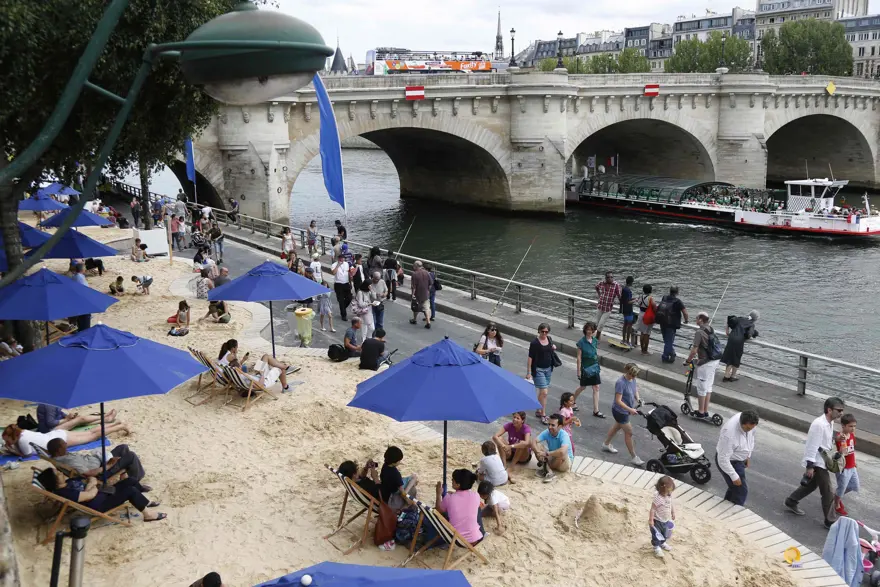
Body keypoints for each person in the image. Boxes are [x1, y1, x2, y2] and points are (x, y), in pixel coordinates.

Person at [784, 396, 845, 528]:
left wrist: (836, 438)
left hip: (822, 461)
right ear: (829, 410)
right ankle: (830, 521)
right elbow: (812, 445)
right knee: (828, 491)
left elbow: (824, 442)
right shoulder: (819, 424)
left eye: (842, 410)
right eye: (839, 410)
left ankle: (791, 501)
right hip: (817, 462)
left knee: (811, 485)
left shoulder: (830, 423)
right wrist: (810, 466)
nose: (841, 413)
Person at [36, 468, 166, 523]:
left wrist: (91, 484)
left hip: (103, 493)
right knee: (130, 490)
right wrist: (92, 484)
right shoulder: (65, 493)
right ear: (54, 482)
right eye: (57, 474)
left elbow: (89, 484)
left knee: (130, 481)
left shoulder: (67, 482)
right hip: (100, 505)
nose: (60, 473)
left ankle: (144, 502)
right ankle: (148, 515)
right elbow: (89, 496)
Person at [47, 439, 150, 491]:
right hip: (101, 472)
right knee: (131, 456)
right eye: (63, 444)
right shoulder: (68, 460)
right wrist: (108, 465)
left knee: (123, 447)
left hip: (99, 462)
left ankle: (131, 477)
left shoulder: (60, 455)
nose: (66, 444)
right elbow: (88, 473)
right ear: (58, 450)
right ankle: (135, 484)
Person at [3, 422, 129, 458]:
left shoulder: (22, 442)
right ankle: (117, 424)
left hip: (59, 440)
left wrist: (12, 450)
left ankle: (120, 426)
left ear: (12, 436)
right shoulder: (23, 432)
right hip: (57, 434)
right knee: (89, 432)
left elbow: (26, 454)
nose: (7, 442)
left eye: (7, 440)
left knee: (92, 436)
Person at [601, 363, 644, 466]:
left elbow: (635, 389)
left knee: (616, 427)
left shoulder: (632, 379)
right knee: (629, 433)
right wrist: (630, 410)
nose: (633, 377)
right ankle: (634, 457)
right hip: (620, 411)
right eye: (632, 375)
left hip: (624, 411)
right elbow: (618, 401)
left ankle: (606, 444)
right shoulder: (620, 382)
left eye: (635, 376)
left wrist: (638, 398)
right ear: (627, 371)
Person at [715, 409, 759, 506]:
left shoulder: (749, 423)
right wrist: (733, 476)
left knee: (734, 488)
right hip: (729, 462)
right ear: (742, 423)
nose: (750, 430)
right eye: (748, 428)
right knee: (741, 491)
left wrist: (748, 456)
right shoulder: (729, 435)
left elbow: (751, 439)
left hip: (739, 460)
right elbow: (722, 459)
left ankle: (725, 507)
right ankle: (734, 513)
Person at [216, 339, 294, 392]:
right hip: (263, 380)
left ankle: (283, 366)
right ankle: (286, 385)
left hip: (256, 376)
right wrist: (262, 374)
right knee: (279, 369)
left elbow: (236, 366)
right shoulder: (240, 374)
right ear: (233, 348)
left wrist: (258, 373)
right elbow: (260, 385)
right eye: (237, 347)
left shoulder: (238, 375)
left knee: (265, 357)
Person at [684, 312, 721, 419]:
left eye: (696, 318)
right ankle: (705, 410)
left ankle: (700, 412)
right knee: (708, 386)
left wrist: (688, 360)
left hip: (706, 363)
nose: (695, 319)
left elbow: (694, 350)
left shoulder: (699, 332)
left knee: (701, 387)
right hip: (714, 360)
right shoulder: (711, 329)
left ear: (700, 319)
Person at [434, 470, 483, 544]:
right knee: (475, 509)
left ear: (458, 485)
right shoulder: (476, 495)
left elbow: (438, 510)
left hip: (457, 540)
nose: (452, 480)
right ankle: (482, 531)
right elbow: (464, 500)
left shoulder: (449, 498)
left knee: (446, 513)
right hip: (475, 539)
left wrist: (438, 494)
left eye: (453, 479)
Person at [526, 323, 556, 425]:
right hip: (538, 370)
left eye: (546, 332)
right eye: (542, 331)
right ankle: (543, 414)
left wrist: (553, 347)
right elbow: (530, 357)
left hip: (548, 369)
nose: (544, 333)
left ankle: (538, 409)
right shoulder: (534, 343)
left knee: (542, 392)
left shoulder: (549, 339)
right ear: (538, 331)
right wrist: (529, 372)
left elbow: (550, 349)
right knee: (544, 392)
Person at [574, 321, 603, 418]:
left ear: (594, 331)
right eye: (588, 329)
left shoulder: (595, 341)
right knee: (583, 387)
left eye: (591, 330)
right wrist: (578, 371)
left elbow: (595, 353)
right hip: (586, 368)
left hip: (594, 367)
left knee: (596, 387)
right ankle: (572, 401)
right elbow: (579, 357)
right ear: (585, 330)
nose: (589, 331)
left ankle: (596, 410)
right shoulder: (581, 342)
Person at [531, 414, 573, 482]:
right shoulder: (547, 432)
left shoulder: (564, 435)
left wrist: (546, 454)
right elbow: (533, 441)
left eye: (553, 425)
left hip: (564, 463)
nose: (550, 427)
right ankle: (549, 472)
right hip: (553, 458)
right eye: (549, 424)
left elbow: (562, 452)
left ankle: (546, 468)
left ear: (560, 426)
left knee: (562, 452)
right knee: (537, 445)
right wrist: (538, 452)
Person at [721, 311, 760, 382]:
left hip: (731, 338)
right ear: (755, 318)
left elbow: (729, 321)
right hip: (739, 341)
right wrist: (750, 337)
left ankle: (726, 376)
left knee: (730, 356)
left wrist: (727, 332)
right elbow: (749, 334)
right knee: (736, 357)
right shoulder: (751, 324)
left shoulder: (740, 318)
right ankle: (733, 376)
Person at [833, 413, 859, 516]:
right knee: (842, 487)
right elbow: (842, 452)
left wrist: (854, 461)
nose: (853, 428)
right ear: (843, 426)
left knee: (854, 486)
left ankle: (836, 496)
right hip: (843, 467)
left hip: (852, 466)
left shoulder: (852, 435)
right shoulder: (841, 437)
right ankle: (836, 504)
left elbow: (852, 450)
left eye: (854, 426)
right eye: (850, 426)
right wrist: (843, 443)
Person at [655, 286, 688, 363]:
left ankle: (672, 353)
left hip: (662, 321)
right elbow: (685, 313)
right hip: (671, 324)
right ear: (677, 292)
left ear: (670, 291)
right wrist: (686, 321)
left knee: (666, 340)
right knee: (669, 341)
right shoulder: (677, 301)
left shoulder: (664, 298)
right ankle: (665, 357)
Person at [380, 446, 418, 512]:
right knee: (414, 477)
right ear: (394, 462)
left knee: (413, 482)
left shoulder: (385, 466)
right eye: (399, 461)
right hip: (394, 492)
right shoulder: (395, 473)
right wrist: (408, 501)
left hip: (387, 487)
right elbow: (402, 492)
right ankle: (407, 493)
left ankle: (409, 488)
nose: (400, 462)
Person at [36, 404, 114, 434]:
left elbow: (59, 413)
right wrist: (67, 419)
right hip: (49, 430)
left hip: (55, 425)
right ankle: (104, 416)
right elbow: (50, 423)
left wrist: (68, 416)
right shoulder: (49, 405)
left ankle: (106, 419)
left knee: (79, 418)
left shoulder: (52, 402)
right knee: (81, 419)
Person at [649, 476, 676, 558]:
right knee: (657, 534)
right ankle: (656, 547)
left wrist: (673, 511)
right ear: (662, 490)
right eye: (668, 491)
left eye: (671, 491)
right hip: (657, 520)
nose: (670, 493)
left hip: (666, 519)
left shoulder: (668, 495)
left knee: (665, 533)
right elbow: (652, 509)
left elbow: (670, 503)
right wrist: (651, 520)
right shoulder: (658, 498)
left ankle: (662, 543)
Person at [595, 271, 621, 341]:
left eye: (611, 277)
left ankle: (597, 339)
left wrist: (623, 304)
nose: (610, 278)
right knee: (597, 323)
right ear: (605, 278)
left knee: (601, 324)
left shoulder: (616, 285)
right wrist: (599, 294)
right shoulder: (601, 283)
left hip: (608, 308)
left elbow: (619, 296)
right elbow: (596, 287)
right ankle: (598, 337)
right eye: (608, 277)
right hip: (600, 306)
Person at [409, 260, 432, 329]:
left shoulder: (414, 274)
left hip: (417, 294)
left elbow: (413, 287)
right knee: (426, 308)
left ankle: (414, 319)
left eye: (414, 266)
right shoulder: (427, 273)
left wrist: (412, 294)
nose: (413, 267)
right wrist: (428, 291)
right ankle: (428, 321)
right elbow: (430, 284)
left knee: (415, 307)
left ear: (416, 266)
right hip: (425, 294)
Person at [634, 284, 656, 355]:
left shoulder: (640, 296)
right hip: (648, 316)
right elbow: (654, 306)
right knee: (647, 333)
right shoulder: (650, 298)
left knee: (642, 333)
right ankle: (645, 350)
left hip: (641, 314)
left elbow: (638, 303)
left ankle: (642, 349)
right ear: (650, 290)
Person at [331, 254, 352, 320]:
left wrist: (350, 282)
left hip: (346, 283)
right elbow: (333, 273)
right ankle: (343, 315)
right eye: (340, 258)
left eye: (343, 258)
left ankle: (342, 308)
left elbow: (348, 273)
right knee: (341, 300)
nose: (342, 260)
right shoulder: (334, 265)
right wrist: (338, 265)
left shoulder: (346, 264)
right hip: (338, 284)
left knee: (349, 298)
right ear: (338, 258)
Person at [620, 276, 636, 347]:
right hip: (629, 310)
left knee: (625, 325)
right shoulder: (628, 290)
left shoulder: (623, 288)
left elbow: (625, 299)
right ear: (631, 282)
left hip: (624, 309)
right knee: (629, 326)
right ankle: (627, 341)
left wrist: (632, 298)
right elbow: (628, 301)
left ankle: (623, 340)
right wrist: (635, 300)